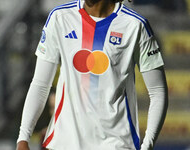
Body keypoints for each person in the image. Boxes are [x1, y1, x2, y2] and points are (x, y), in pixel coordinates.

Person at [16, 0, 168, 150]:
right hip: (64, 143)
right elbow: (40, 84)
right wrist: (23, 138)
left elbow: (158, 92)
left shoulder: (135, 25)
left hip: (116, 144)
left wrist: (147, 145)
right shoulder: (60, 17)